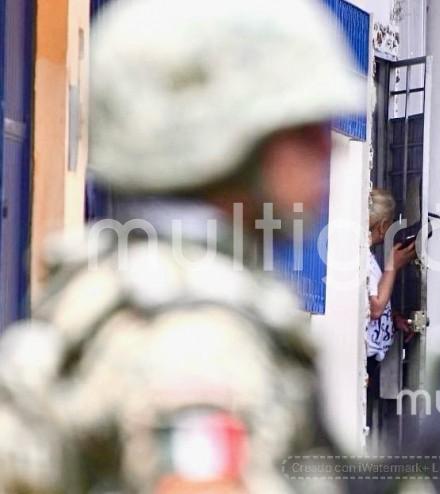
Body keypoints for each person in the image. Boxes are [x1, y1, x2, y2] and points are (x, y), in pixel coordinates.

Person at [0, 0, 363, 492]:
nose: (328, 148)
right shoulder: (197, 345)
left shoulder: (117, 276)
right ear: (217, 142)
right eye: (301, 132)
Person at [365, 189, 417, 446]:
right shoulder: (362, 258)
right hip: (365, 358)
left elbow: (373, 301)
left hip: (372, 355)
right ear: (383, 225)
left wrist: (393, 318)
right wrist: (393, 266)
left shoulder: (366, 257)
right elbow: (374, 307)